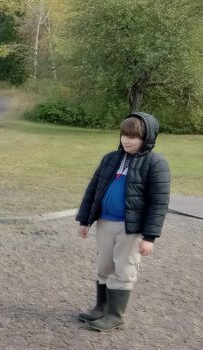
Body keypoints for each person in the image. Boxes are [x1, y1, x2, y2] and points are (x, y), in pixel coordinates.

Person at [75, 112, 170, 332]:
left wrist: (149, 238)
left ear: (147, 138)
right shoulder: (111, 159)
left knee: (124, 268)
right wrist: (84, 220)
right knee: (104, 265)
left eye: (133, 136)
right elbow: (93, 189)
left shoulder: (155, 163)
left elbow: (159, 203)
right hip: (105, 223)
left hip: (131, 228)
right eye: (124, 135)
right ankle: (101, 308)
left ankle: (115, 315)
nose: (127, 140)